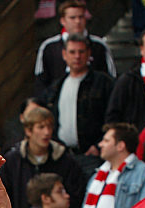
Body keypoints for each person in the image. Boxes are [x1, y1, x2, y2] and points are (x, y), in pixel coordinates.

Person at [0, 106, 86, 208]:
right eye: (41, 127)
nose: (47, 132)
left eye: (50, 127)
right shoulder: (12, 160)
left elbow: (76, 195)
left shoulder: (65, 160)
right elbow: (3, 195)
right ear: (28, 130)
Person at [45, 33, 115, 178]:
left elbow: (114, 117)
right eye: (72, 52)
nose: (77, 56)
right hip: (64, 157)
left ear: (89, 54)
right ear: (64, 54)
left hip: (94, 156)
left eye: (81, 52)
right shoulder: (56, 86)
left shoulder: (103, 83)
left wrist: (98, 145)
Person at [34, 0, 116, 96]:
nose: (77, 21)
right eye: (72, 18)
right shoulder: (49, 47)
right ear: (62, 21)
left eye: (81, 17)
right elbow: (41, 82)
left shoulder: (99, 46)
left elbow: (111, 78)